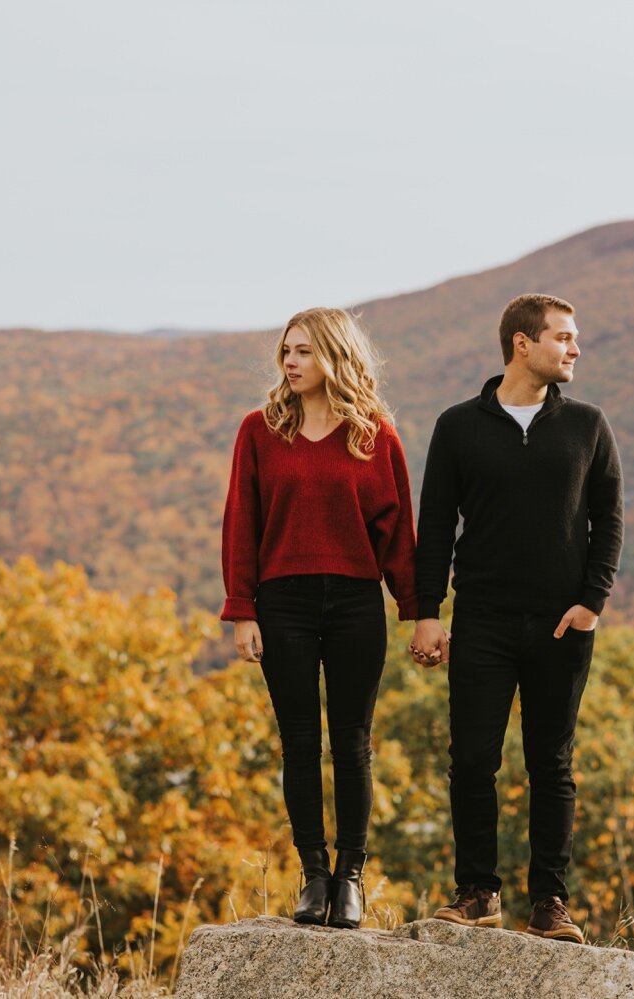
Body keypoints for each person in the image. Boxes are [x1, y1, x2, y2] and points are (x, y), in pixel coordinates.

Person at [410, 293, 624, 944]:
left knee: (550, 764)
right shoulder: (458, 427)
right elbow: (436, 526)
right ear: (522, 344)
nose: (576, 348)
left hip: (563, 626)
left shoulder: (588, 425)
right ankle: (477, 893)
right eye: (564, 337)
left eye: (575, 337)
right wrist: (426, 613)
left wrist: (592, 603)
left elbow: (609, 520)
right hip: (483, 620)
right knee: (473, 759)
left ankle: (550, 905)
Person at [220, 307, 418, 930]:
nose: (291, 361)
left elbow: (398, 533)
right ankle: (313, 876)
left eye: (304, 351)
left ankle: (351, 879)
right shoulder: (259, 431)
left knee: (353, 743)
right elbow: (240, 523)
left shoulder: (375, 434)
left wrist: (418, 612)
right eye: (287, 351)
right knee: (300, 742)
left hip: (357, 602)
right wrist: (242, 610)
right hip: (284, 605)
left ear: (335, 355)